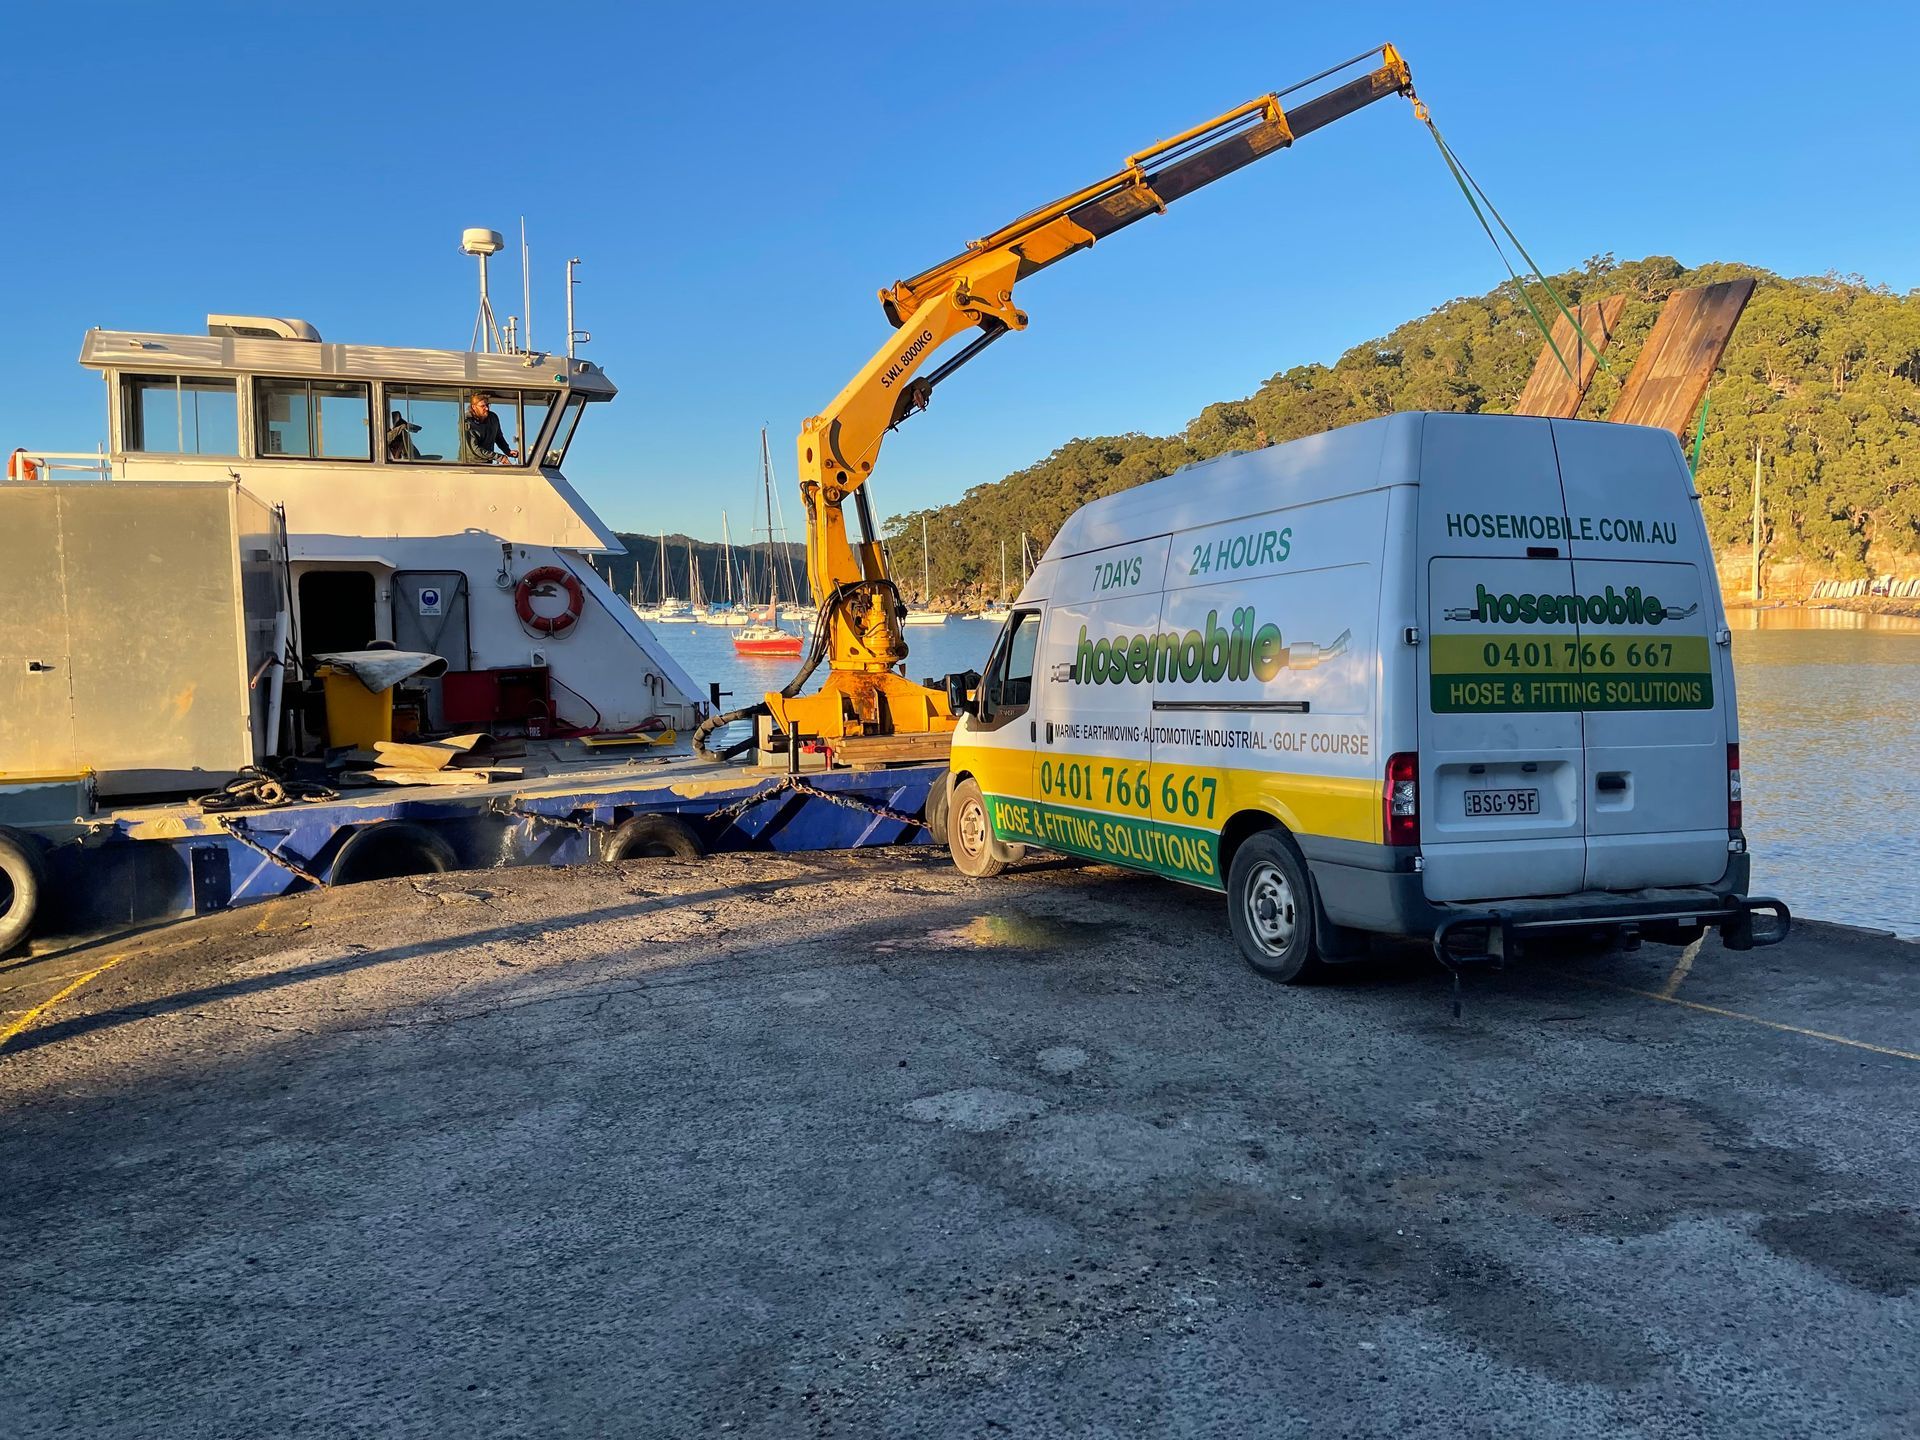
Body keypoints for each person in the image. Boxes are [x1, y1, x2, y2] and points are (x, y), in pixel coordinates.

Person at [462, 393, 517, 464]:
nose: (487, 408)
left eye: (488, 405)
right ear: (473, 407)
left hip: (488, 463)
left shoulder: (493, 417)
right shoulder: (467, 421)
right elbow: (474, 449)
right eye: (483, 406)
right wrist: (500, 458)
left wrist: (507, 451)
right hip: (470, 464)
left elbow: (498, 437)